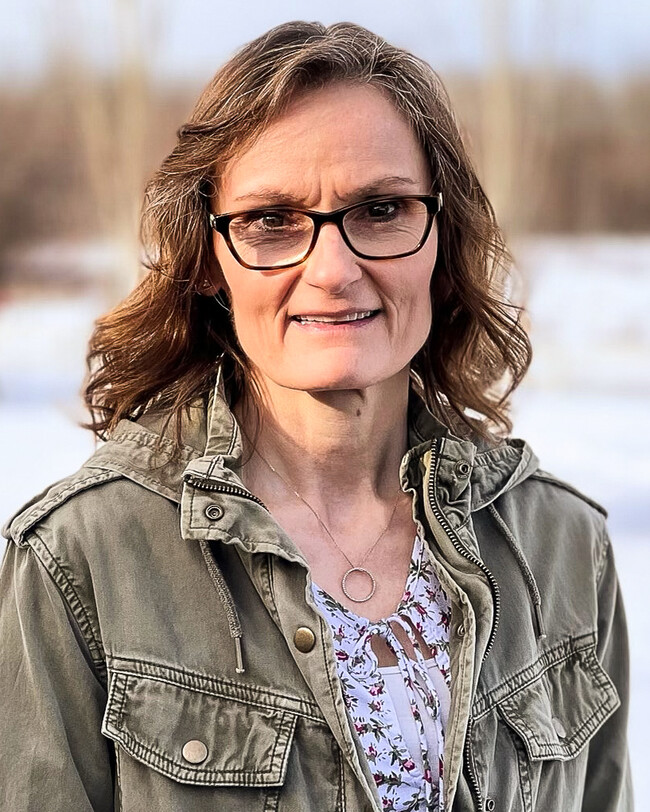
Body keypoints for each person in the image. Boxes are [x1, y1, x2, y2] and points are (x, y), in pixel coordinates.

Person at [0, 20, 632, 812]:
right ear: (208, 258)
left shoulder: (563, 546)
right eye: (271, 220)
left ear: (443, 237)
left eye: (380, 209)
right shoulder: (82, 560)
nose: (333, 271)